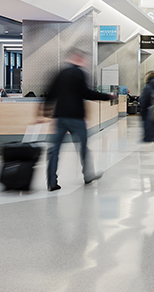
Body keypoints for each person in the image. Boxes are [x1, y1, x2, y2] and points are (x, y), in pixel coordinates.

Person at [43, 47, 111, 191]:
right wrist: (106, 97)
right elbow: (86, 93)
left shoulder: (60, 72)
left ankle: (51, 181)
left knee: (54, 149)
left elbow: (50, 93)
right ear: (79, 59)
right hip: (76, 117)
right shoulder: (79, 73)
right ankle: (87, 175)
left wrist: (44, 112)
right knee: (83, 148)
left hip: (60, 116)